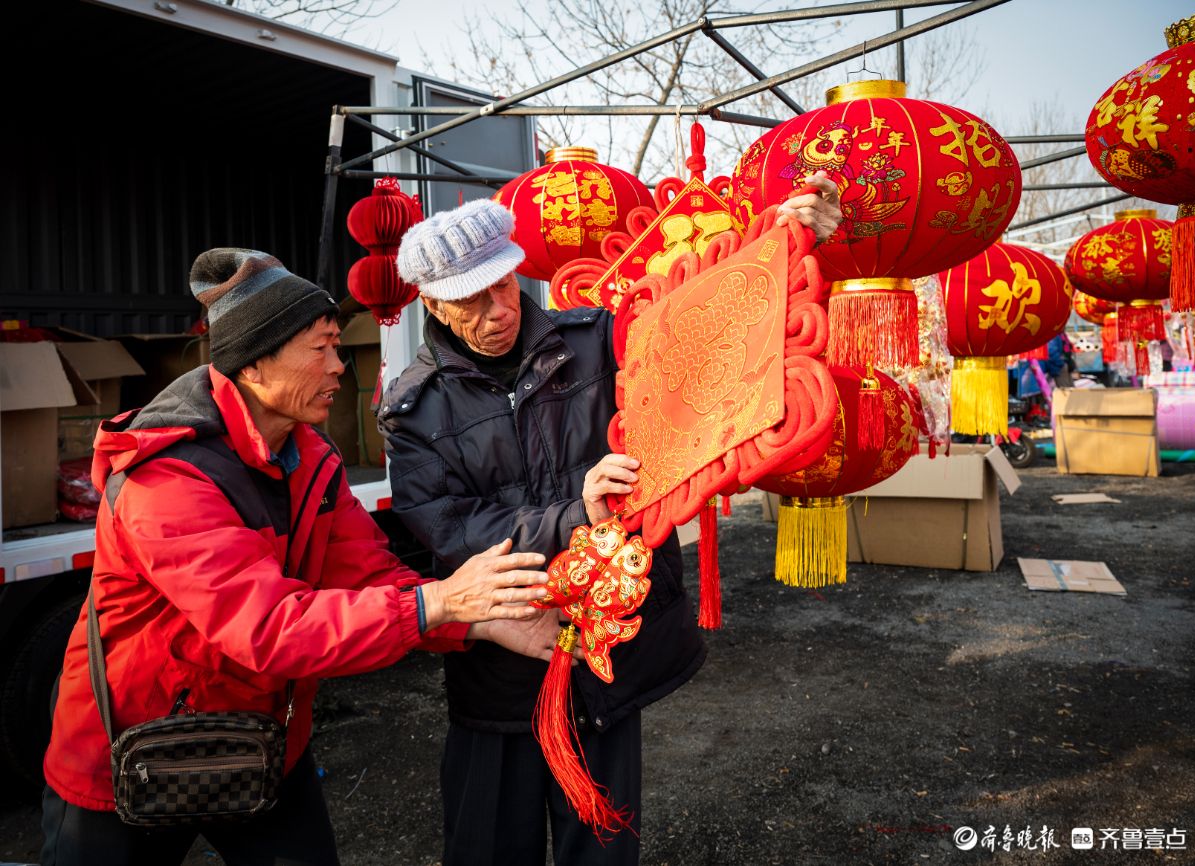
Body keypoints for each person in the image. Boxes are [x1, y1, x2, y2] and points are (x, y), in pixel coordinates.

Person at [380, 176, 843, 865]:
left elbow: (708, 330)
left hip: (609, 648)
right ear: (433, 306)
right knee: (486, 845)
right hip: (499, 658)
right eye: (468, 301)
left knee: (602, 845)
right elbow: (444, 532)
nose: (494, 310)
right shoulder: (412, 408)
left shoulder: (597, 338)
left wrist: (784, 237)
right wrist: (576, 512)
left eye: (503, 286)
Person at [40, 249, 551, 866]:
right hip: (132, 752)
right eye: (322, 349)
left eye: (339, 346)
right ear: (253, 366)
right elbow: (270, 626)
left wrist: (478, 620)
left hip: (263, 742)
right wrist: (440, 600)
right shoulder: (168, 481)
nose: (340, 367)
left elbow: (370, 575)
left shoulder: (310, 457)